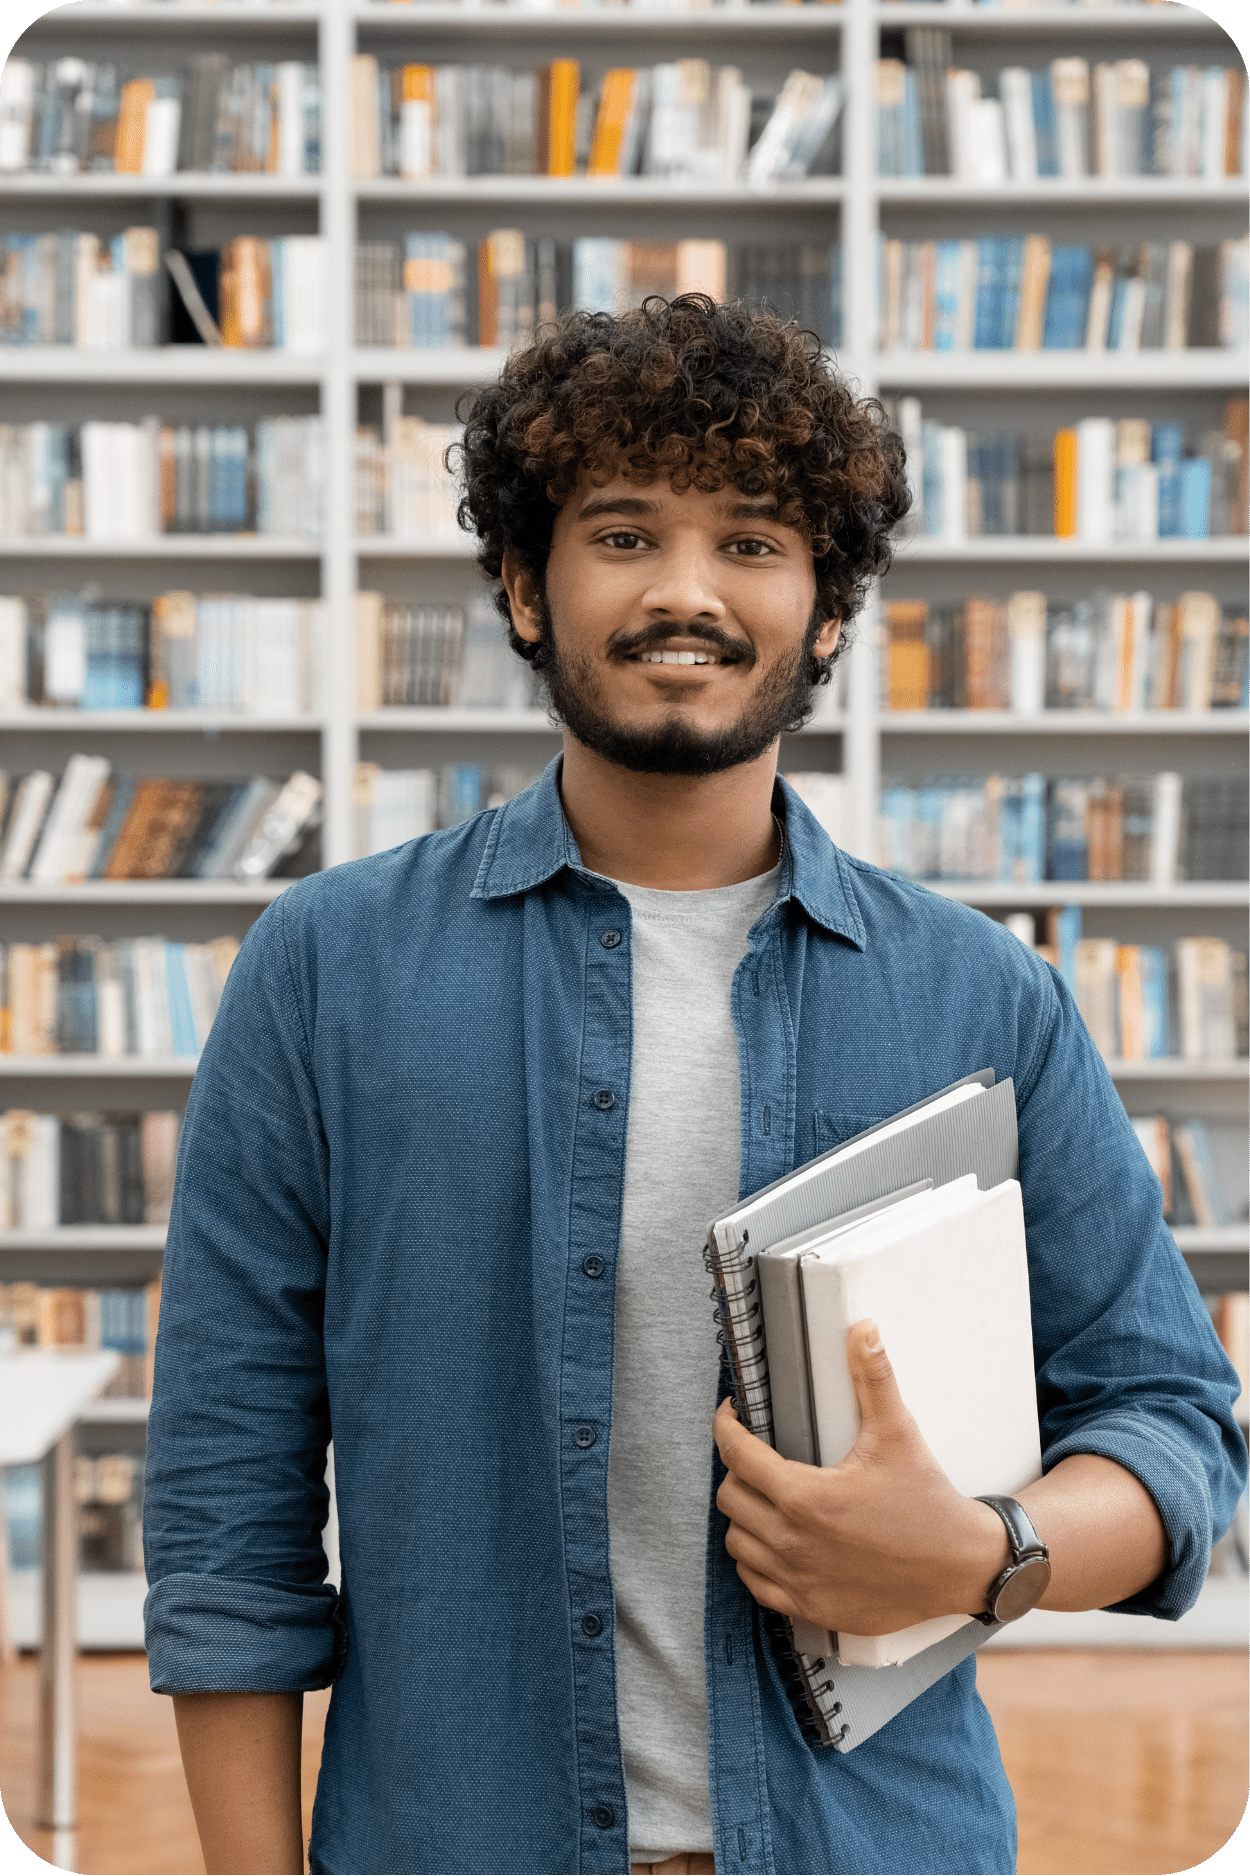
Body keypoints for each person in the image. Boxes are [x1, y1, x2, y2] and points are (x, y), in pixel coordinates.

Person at [145, 297, 1246, 1876]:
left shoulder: (982, 996)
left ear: (828, 612)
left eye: (750, 542)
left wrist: (978, 1553)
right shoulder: (324, 971)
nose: (683, 591)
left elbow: (1167, 1424)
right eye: (620, 534)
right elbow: (224, 1500)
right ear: (525, 590)